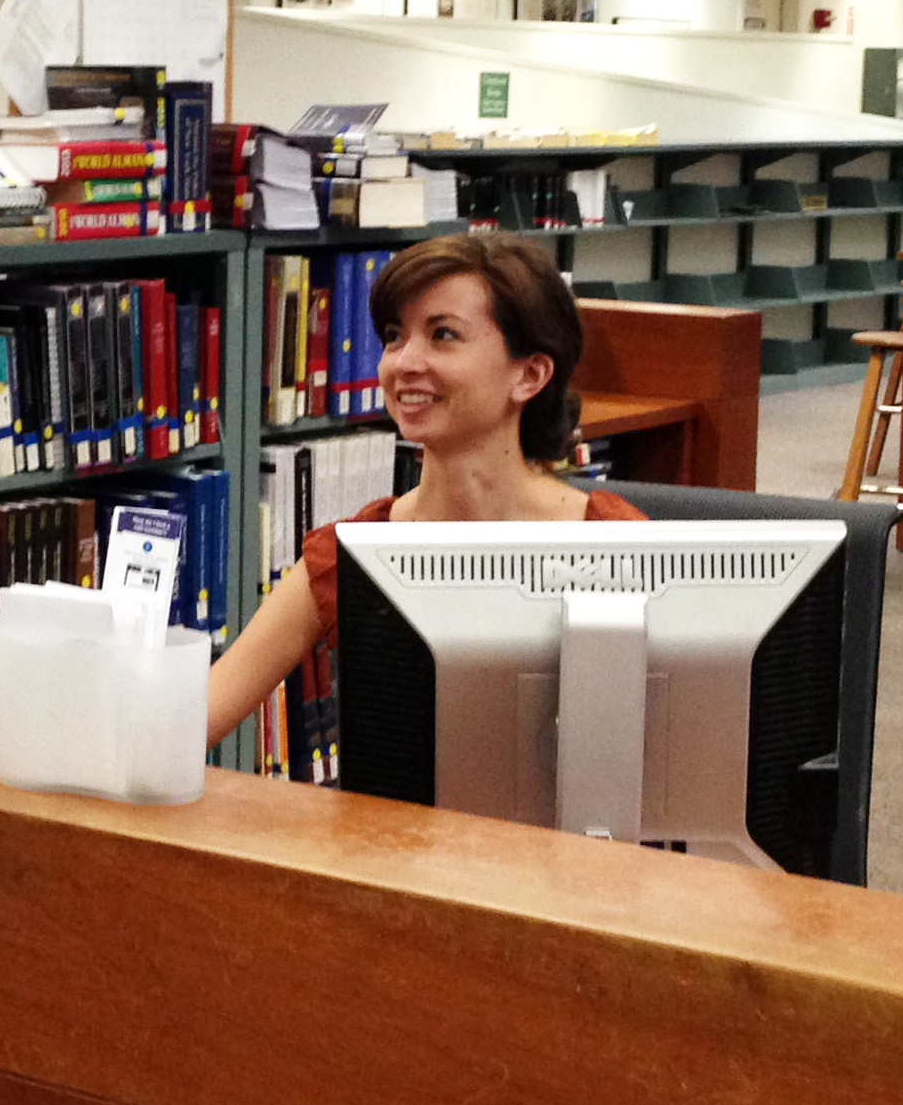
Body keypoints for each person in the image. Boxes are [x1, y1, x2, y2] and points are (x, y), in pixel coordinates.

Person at [205, 232, 646, 747]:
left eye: (443, 335)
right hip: (395, 830)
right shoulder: (349, 556)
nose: (403, 362)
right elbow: (194, 722)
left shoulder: (616, 542)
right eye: (395, 335)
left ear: (529, 375)